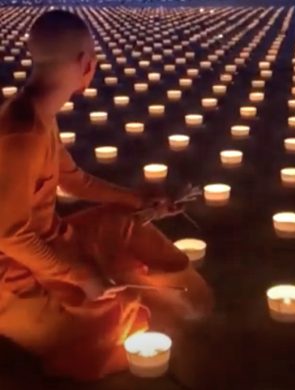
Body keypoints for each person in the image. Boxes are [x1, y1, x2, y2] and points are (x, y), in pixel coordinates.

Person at [0, 10, 213, 381]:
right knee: (108, 324)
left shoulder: (39, 116)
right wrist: (78, 273)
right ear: (86, 63)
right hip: (12, 273)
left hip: (47, 242)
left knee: (122, 225)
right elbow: (9, 234)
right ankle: (139, 302)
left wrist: (139, 201)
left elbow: (74, 180)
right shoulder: (20, 133)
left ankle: (172, 293)